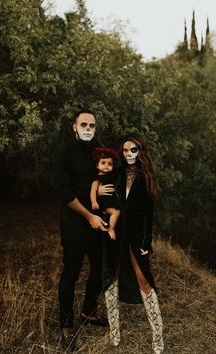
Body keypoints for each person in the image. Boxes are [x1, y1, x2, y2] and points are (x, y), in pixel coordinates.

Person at [52, 110, 109, 352]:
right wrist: (89, 216)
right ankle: (66, 324)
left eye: (92, 125)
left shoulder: (99, 149)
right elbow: (64, 194)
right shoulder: (64, 154)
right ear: (74, 127)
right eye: (83, 124)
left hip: (99, 220)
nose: (88, 128)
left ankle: (88, 312)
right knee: (71, 272)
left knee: (100, 268)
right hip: (75, 222)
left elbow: (110, 173)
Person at [102, 135, 164, 354]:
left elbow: (149, 213)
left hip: (137, 237)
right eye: (126, 150)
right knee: (112, 280)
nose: (129, 154)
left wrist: (147, 240)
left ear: (140, 152)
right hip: (115, 235)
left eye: (133, 150)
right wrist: (98, 192)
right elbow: (104, 198)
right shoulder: (116, 174)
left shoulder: (146, 177)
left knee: (144, 281)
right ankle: (115, 333)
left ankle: (158, 338)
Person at [90, 147, 120, 240]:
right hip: (104, 203)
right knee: (116, 212)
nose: (106, 165)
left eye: (109, 164)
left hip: (111, 201)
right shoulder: (97, 179)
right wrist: (94, 202)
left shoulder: (111, 176)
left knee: (117, 212)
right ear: (97, 166)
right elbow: (93, 192)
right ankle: (111, 229)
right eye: (103, 163)